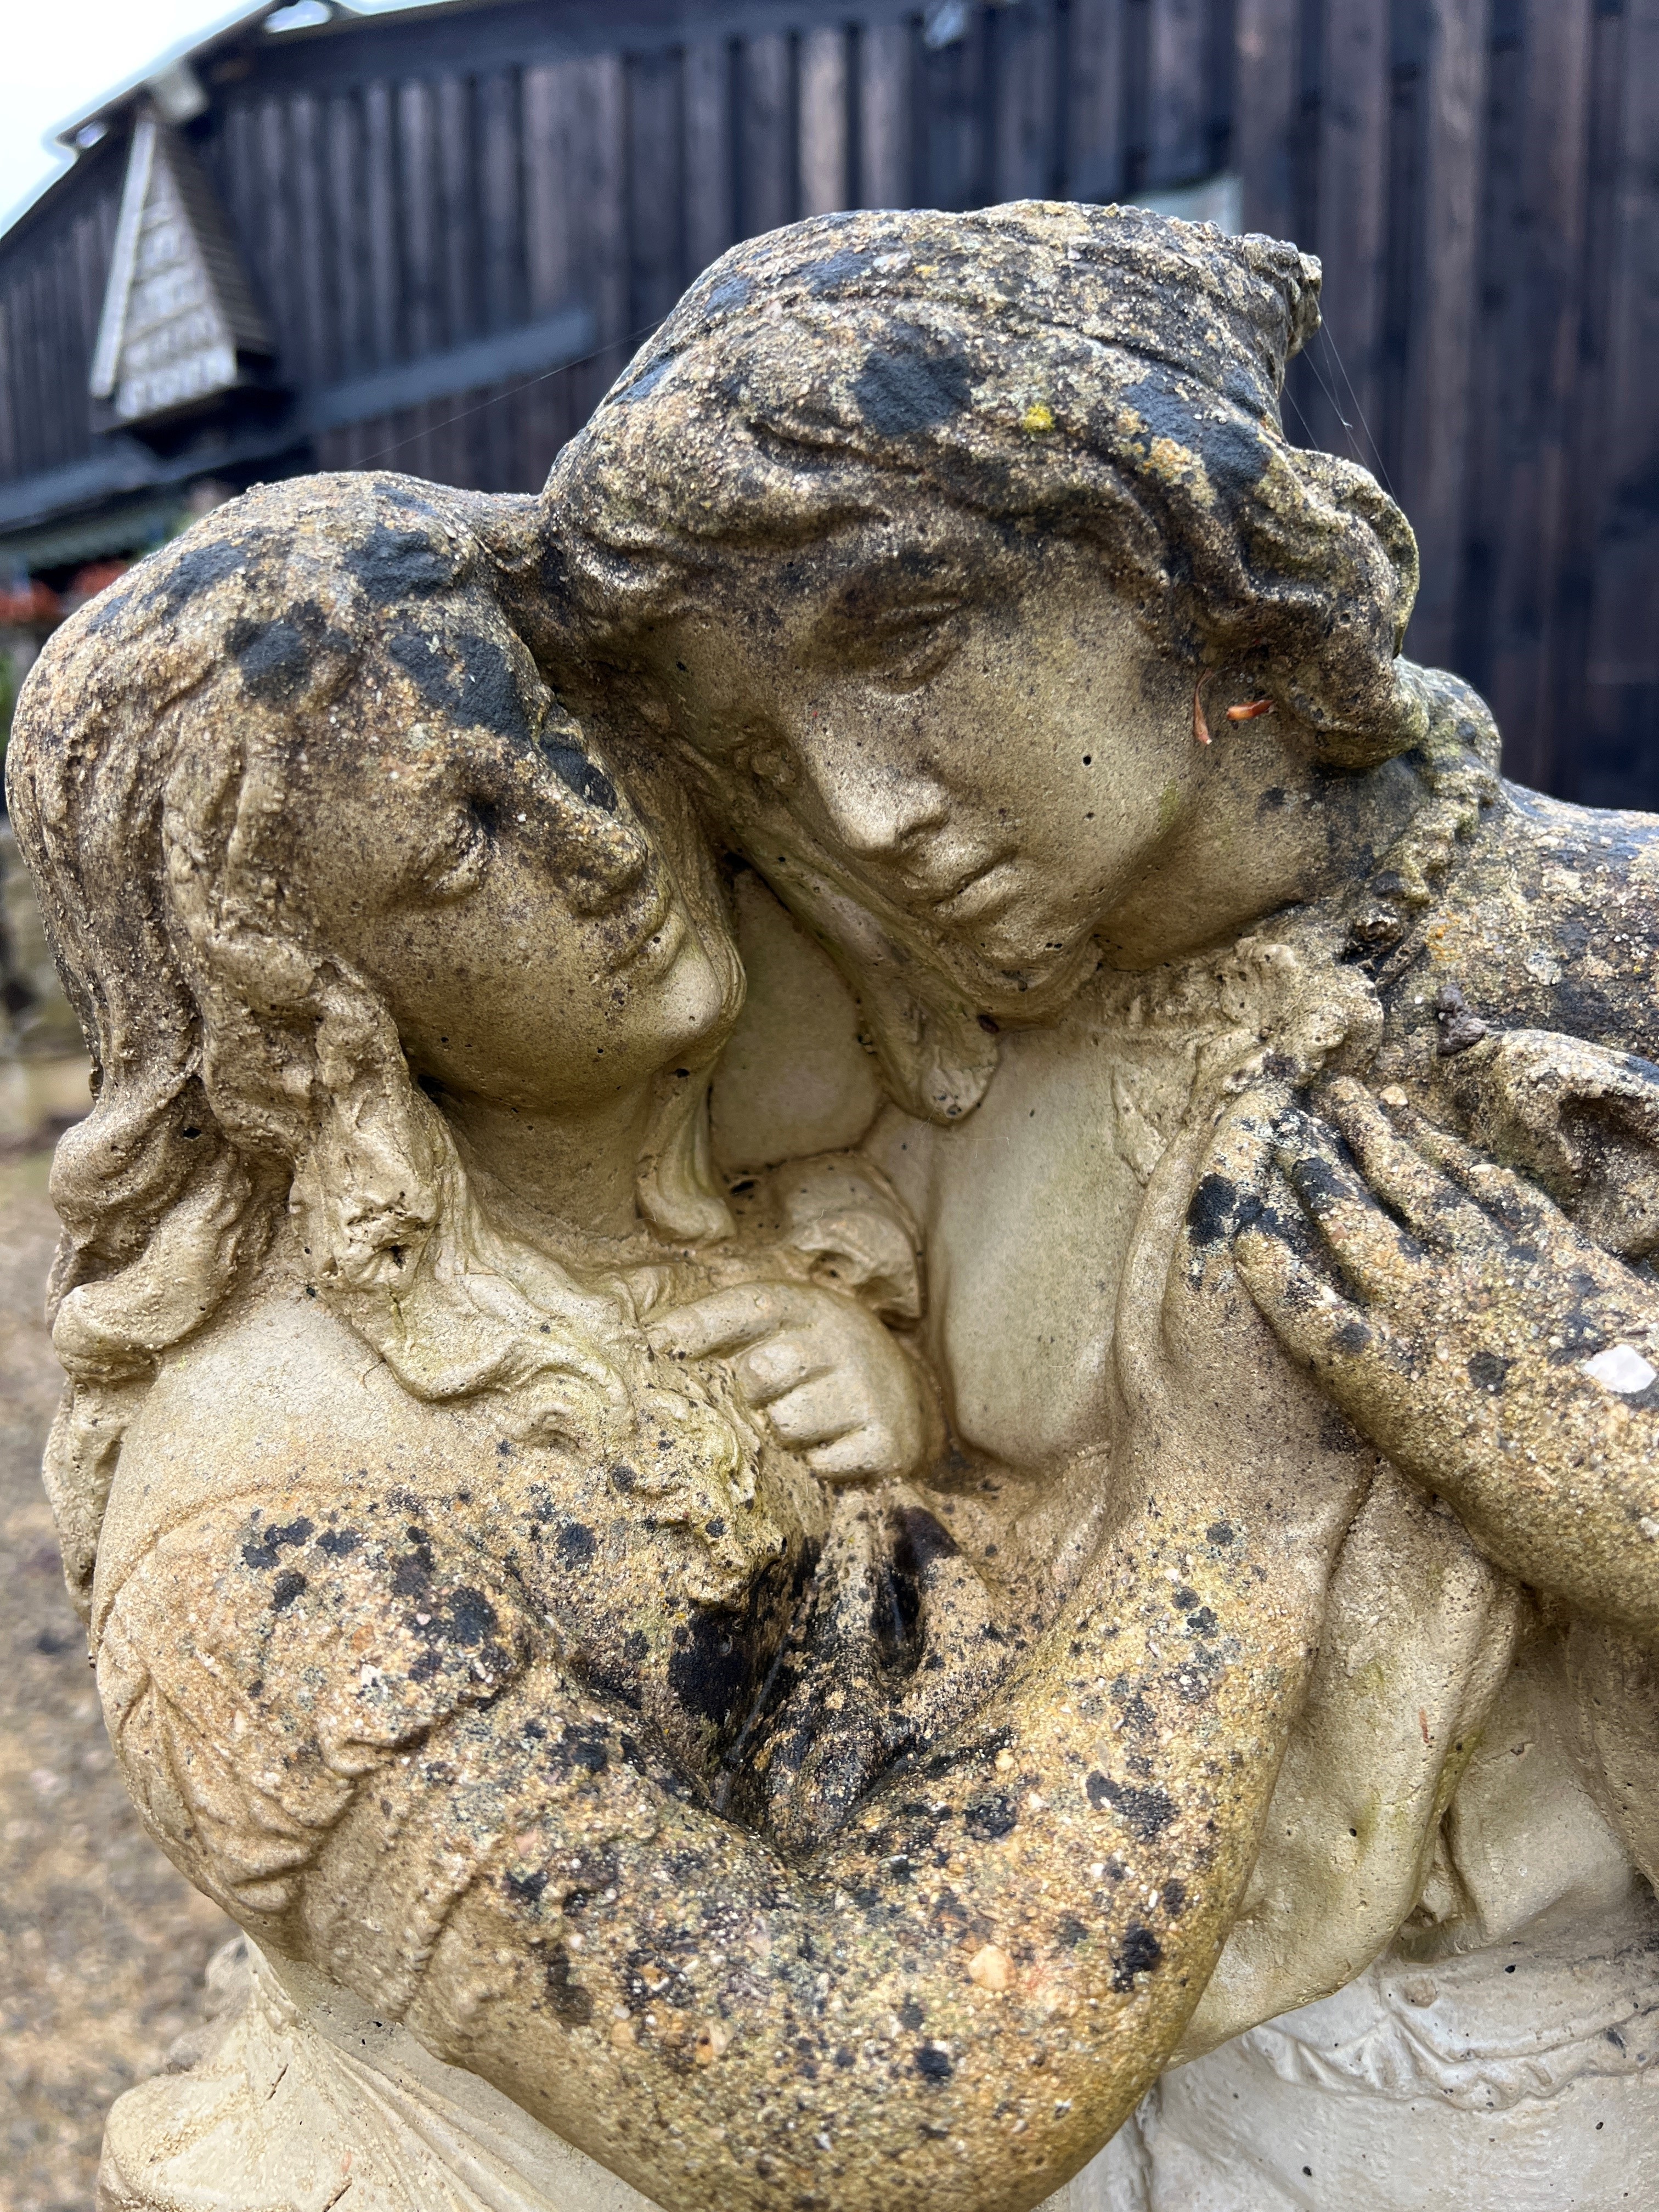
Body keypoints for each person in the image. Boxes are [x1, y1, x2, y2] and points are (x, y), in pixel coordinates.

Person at [9, 469, 1358, 2212]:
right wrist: (1231, 1505)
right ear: (315, 1011)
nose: (598, 838)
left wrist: (910, 1450)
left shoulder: (761, 1180)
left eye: (569, 738)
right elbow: (851, 2100)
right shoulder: (275, 1558)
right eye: (465, 843)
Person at [539, 199, 1659, 2205]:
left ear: (1178, 549)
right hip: (1097, 2080)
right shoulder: (922, 1063)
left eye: (899, 643)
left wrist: (1599, 1467)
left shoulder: (1607, 959)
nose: (865, 812)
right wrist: (863, 1425)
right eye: (766, 759)